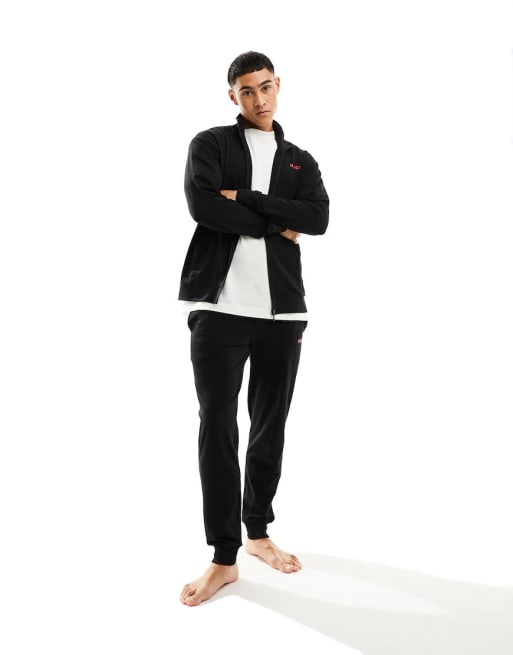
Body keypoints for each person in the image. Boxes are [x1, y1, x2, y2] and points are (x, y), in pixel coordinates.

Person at [178, 51, 329, 606]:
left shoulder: (300, 160)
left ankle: (258, 532)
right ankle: (224, 558)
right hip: (219, 308)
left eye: (265, 87)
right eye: (247, 90)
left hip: (282, 313)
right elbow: (204, 208)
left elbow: (318, 218)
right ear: (233, 96)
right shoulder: (211, 145)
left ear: (278, 85)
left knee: (270, 424)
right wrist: (277, 221)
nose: (259, 99)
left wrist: (245, 199)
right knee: (218, 426)